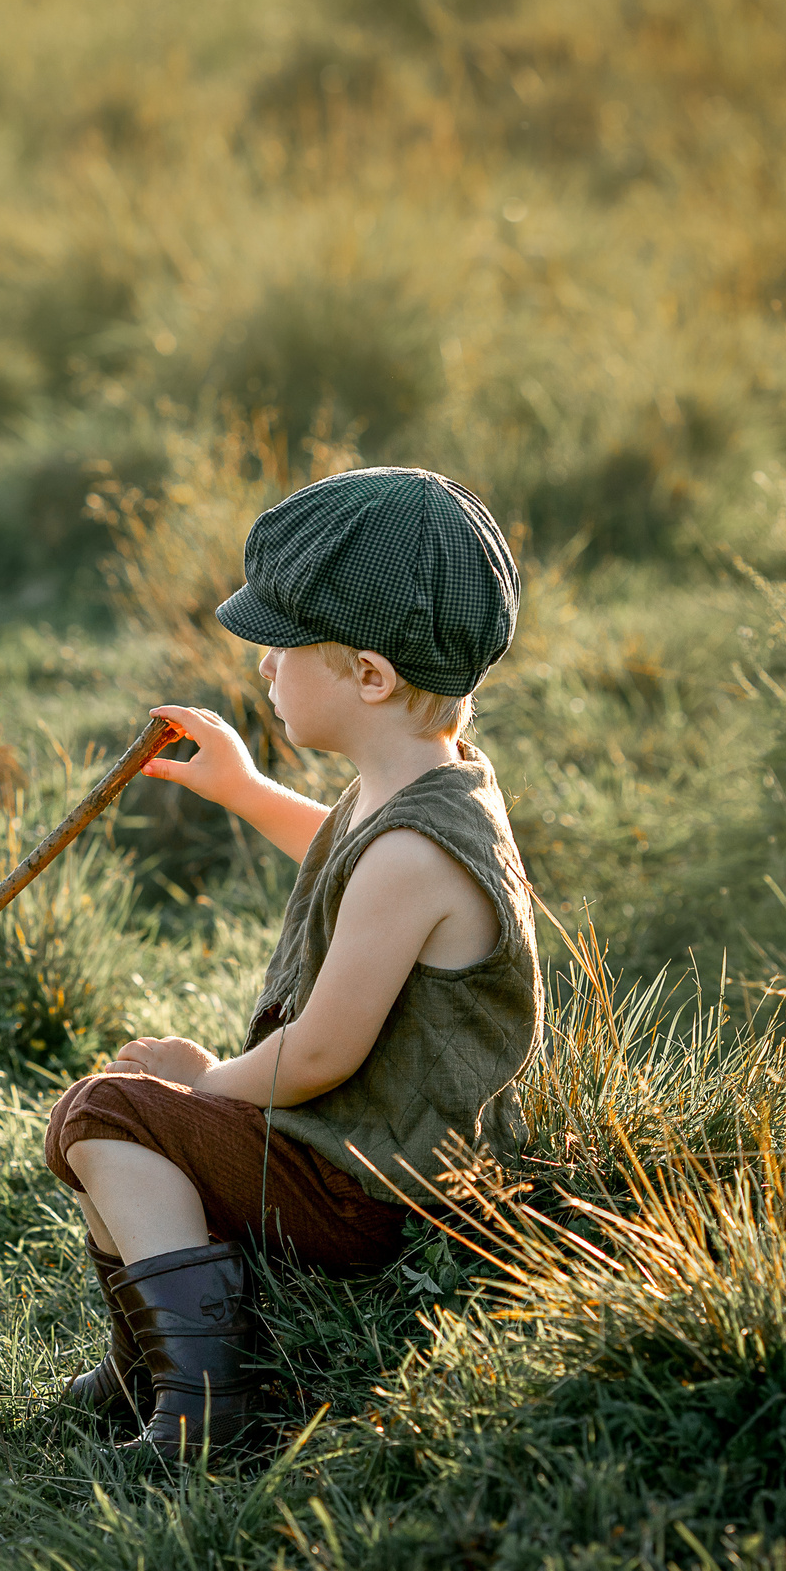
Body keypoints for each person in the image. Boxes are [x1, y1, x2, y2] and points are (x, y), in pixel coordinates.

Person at [45, 465, 544, 1460]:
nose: (263, 668)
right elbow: (346, 855)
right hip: (371, 1154)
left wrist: (207, 1090)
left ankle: (202, 1403)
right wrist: (244, 790)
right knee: (139, 1101)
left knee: (105, 1112)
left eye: (280, 650)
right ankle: (150, 1359)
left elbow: (317, 1056)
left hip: (376, 1189)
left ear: (368, 675)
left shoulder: (413, 852)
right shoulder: (421, 790)